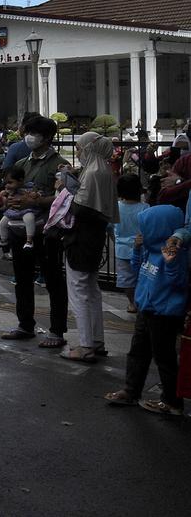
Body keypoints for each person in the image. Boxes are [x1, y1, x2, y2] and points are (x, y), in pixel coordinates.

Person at [103, 205, 188, 416]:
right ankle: (131, 391)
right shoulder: (151, 249)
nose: (141, 233)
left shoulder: (176, 253)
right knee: (137, 352)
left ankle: (172, 402)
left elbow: (178, 283)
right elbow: (137, 268)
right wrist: (138, 249)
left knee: (164, 357)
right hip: (146, 308)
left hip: (164, 313)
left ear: (159, 229)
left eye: (145, 228)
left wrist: (171, 262)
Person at [0, 116, 70, 347]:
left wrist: (35, 202)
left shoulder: (58, 165)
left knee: (52, 280)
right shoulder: (21, 164)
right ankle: (25, 324)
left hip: (46, 231)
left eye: (34, 133)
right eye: (27, 132)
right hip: (19, 230)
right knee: (22, 279)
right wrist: (9, 200)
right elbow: (9, 191)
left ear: (48, 138)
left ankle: (57, 331)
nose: (29, 137)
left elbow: (65, 199)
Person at [61, 132, 117, 362]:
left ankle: (85, 346)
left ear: (89, 148)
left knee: (78, 291)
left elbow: (80, 208)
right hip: (95, 237)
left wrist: (66, 188)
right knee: (92, 290)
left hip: (81, 238)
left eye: (79, 147)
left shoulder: (92, 173)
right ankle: (96, 341)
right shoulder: (105, 171)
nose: (78, 151)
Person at [113, 173, 147, 314]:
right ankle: (142, 301)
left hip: (121, 249)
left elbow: (111, 228)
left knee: (127, 280)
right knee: (142, 277)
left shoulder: (116, 207)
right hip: (141, 248)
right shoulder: (145, 207)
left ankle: (132, 303)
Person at [0, 168, 42, 251]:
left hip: (27, 210)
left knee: (29, 219)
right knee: (2, 222)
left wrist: (35, 194)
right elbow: (5, 198)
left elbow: (38, 193)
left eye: (10, 182)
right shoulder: (10, 190)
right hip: (14, 211)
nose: (7, 185)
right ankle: (3, 239)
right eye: (6, 183)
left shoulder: (30, 186)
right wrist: (3, 195)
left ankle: (29, 241)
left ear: (20, 181)